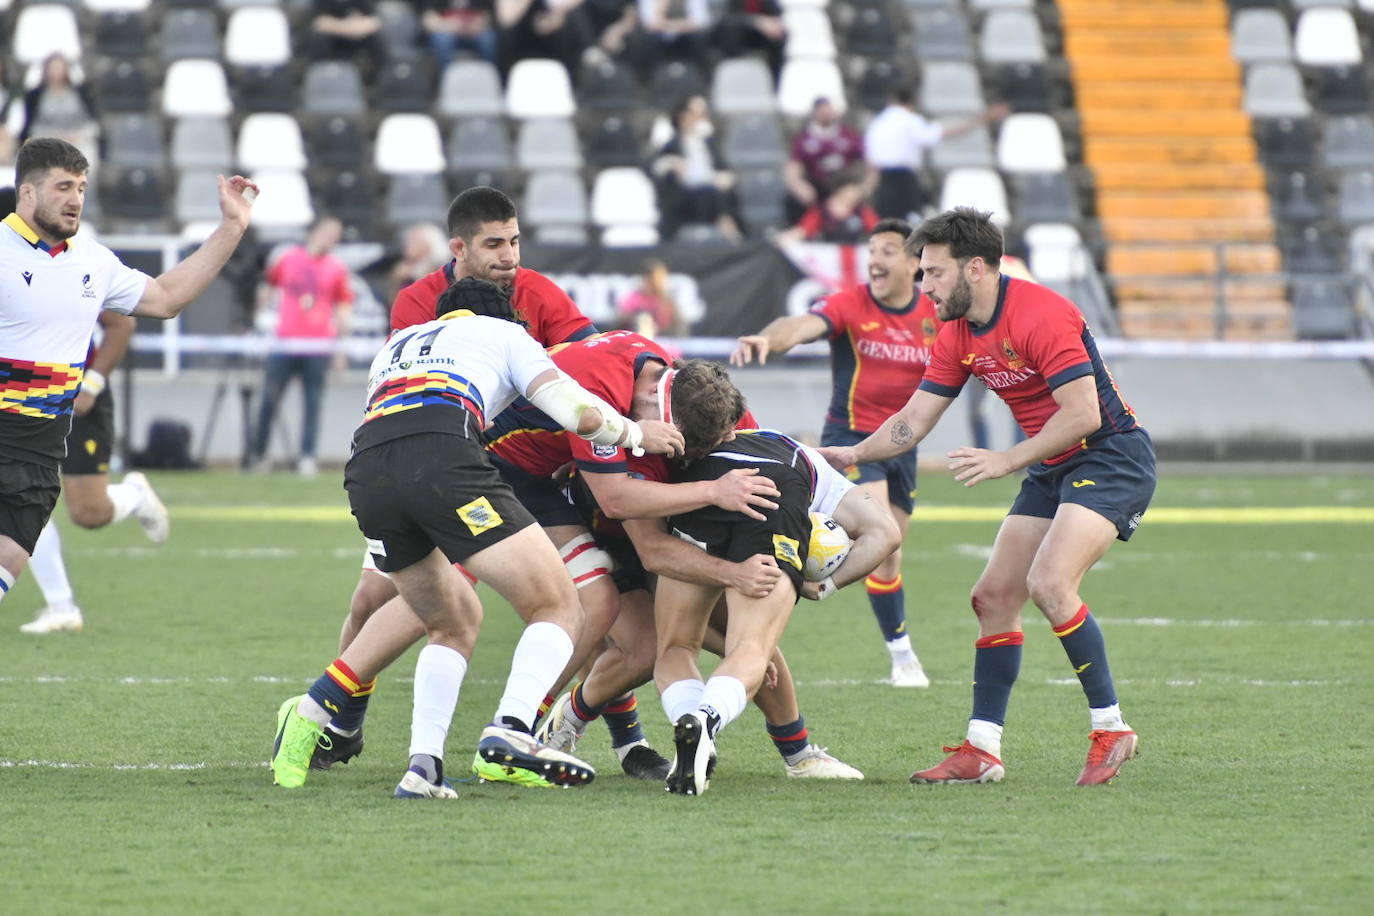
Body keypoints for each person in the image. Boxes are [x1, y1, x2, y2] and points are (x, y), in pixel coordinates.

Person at [267, 276, 685, 797]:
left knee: (452, 620)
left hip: (367, 473)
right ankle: (511, 733)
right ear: (509, 318)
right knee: (559, 605)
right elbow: (577, 413)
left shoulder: (397, 345)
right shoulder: (506, 334)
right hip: (446, 461)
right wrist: (636, 433)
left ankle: (397, 758)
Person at [818, 207, 1155, 787]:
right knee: (993, 596)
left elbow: (1083, 415)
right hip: (1051, 463)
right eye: (921, 274)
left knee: (1049, 584)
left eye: (934, 274)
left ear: (975, 268)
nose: (923, 287)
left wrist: (1005, 459)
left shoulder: (1041, 314)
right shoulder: (956, 332)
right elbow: (914, 420)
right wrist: (850, 455)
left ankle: (1111, 727)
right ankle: (982, 749)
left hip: (1110, 456)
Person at [317, 186, 602, 777]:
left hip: (521, 467)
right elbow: (432, 386)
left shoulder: (540, 292)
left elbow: (582, 368)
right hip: (450, 462)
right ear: (459, 249)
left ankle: (591, 728)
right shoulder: (418, 302)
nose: (509, 256)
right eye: (494, 244)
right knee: (375, 599)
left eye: (515, 241)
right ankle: (342, 717)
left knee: (592, 594)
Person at [0, 137, 256, 614]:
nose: (76, 198)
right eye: (63, 187)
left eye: (81, 186)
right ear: (28, 194)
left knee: (27, 549)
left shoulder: (93, 261)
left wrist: (232, 226)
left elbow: (165, 298)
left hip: (37, 453)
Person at [732, 218, 939, 687]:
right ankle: (902, 655)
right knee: (885, 546)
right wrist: (770, 338)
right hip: (851, 440)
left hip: (902, 444)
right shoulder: (851, 303)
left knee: (889, 550)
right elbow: (801, 325)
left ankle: (818, 589)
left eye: (887, 251)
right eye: (871, 250)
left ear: (914, 262)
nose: (875, 260)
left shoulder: (934, 312)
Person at [654, 423, 901, 796]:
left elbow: (645, 544)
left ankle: (686, 724)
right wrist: (823, 587)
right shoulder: (791, 451)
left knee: (674, 648)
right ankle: (708, 722)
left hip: (688, 519)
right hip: (770, 519)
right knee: (752, 650)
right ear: (733, 420)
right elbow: (886, 533)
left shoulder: (656, 456)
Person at [19, 310, 171, 634]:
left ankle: (134, 496)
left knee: (89, 512)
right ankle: (62, 608)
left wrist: (91, 384)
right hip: (21, 394)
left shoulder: (70, 264)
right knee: (18, 493)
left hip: (75, 395)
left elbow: (123, 323)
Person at [249, 216, 353, 477]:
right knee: (269, 400)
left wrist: (341, 347)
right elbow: (269, 288)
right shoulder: (288, 258)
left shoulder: (336, 268)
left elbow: (343, 308)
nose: (332, 239)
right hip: (285, 341)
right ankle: (258, 454)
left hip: (318, 345)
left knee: (313, 403)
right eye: (329, 232)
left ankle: (307, 456)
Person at [864, 87, 1007, 222]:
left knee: (885, 222)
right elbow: (943, 133)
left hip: (882, 180)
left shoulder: (876, 123)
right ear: (911, 103)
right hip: (903, 180)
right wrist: (982, 119)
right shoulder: (909, 121)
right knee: (908, 222)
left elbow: (871, 159)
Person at [650, 95, 741, 242]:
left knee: (718, 193)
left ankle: (730, 230)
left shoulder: (710, 144)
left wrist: (726, 176)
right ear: (683, 116)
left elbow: (722, 167)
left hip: (710, 189)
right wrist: (672, 165)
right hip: (685, 191)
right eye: (696, 114)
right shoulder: (673, 144)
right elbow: (658, 166)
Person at [784, 97, 866, 224]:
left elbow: (869, 165)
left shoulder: (848, 136)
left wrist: (862, 188)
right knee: (793, 201)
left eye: (828, 110)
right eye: (822, 110)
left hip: (843, 185)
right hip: (817, 187)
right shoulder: (804, 140)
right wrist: (800, 186)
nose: (826, 114)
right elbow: (793, 169)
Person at [19, 55, 100, 171]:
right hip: (47, 140)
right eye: (53, 68)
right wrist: (55, 137)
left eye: (60, 68)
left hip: (77, 138)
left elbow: (92, 123)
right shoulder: (35, 95)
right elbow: (32, 126)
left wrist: (78, 135)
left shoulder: (82, 93)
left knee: (87, 156)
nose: (56, 72)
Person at [775, 170, 879, 245]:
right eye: (852, 190)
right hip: (827, 255)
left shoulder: (863, 211)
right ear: (840, 191)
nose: (857, 194)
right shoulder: (821, 211)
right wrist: (784, 238)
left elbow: (879, 231)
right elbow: (802, 231)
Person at [714, 0, 786, 82]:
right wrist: (757, 21)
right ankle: (735, 75)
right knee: (731, 28)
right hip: (737, 34)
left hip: (760, 35)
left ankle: (773, 83)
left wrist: (774, 24)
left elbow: (776, 12)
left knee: (779, 36)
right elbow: (730, 16)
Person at [308, 0, 386, 76]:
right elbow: (320, 23)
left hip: (359, 36)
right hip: (334, 38)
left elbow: (376, 21)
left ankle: (383, 78)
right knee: (319, 38)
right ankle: (323, 76)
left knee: (377, 38)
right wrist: (347, 28)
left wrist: (357, 28)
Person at [421, 0, 500, 69]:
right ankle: (444, 80)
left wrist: (477, 24)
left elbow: (487, 15)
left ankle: (491, 78)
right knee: (442, 39)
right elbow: (427, 20)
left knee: (488, 38)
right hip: (446, 31)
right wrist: (448, 26)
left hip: (474, 33)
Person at [615, 259, 683, 338]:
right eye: (657, 277)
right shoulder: (633, 298)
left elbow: (675, 327)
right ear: (647, 278)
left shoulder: (668, 301)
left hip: (664, 341)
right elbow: (622, 321)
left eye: (663, 277)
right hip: (635, 341)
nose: (660, 281)